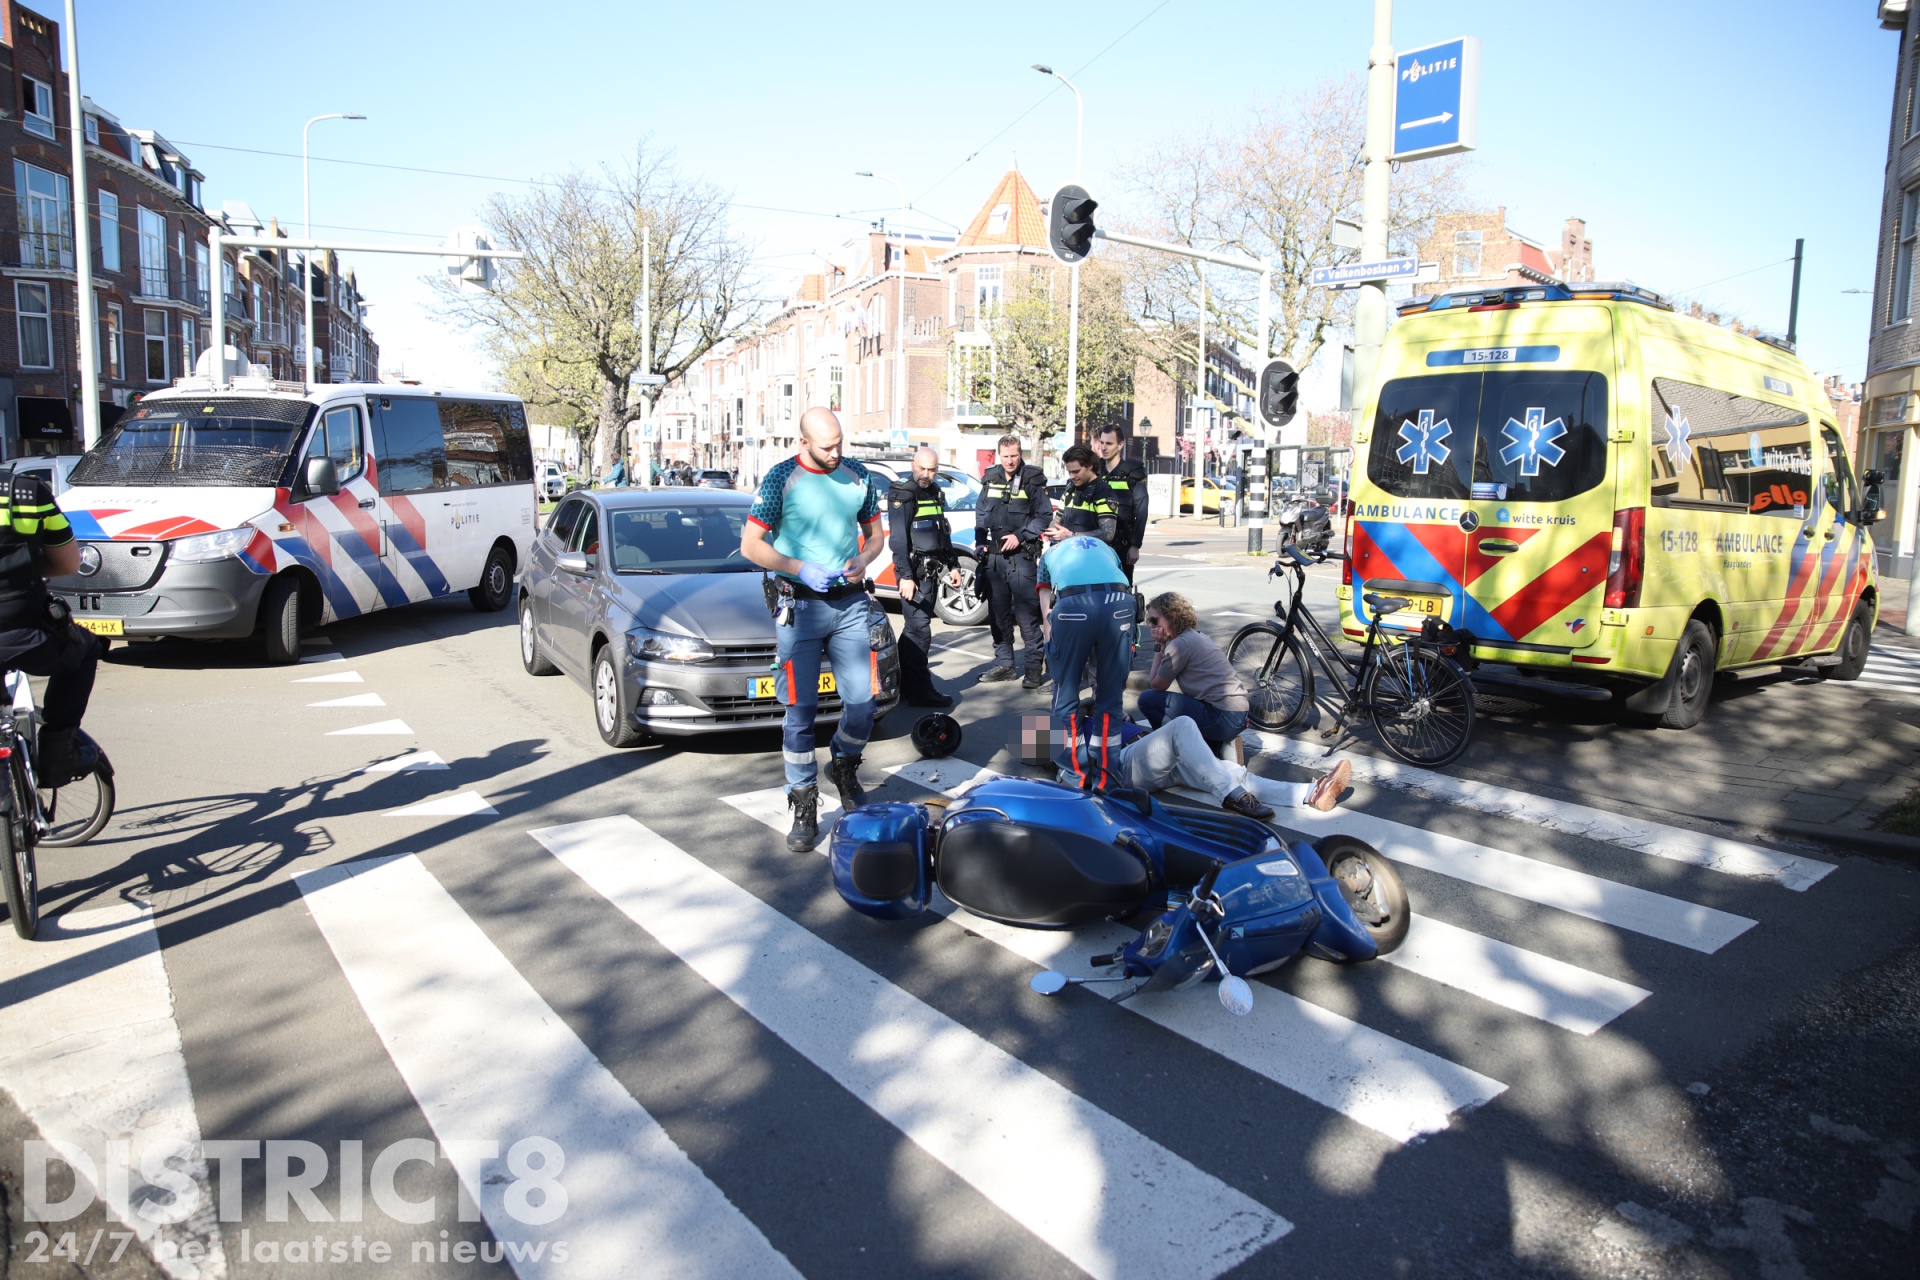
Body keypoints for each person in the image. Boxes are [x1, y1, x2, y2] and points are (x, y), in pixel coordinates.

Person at [740, 407, 887, 852]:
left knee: (863, 704)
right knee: (800, 713)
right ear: (803, 442)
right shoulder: (779, 479)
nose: (836, 452)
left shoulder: (858, 475)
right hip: (799, 608)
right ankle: (803, 801)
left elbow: (876, 535)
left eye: (840, 442)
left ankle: (842, 764)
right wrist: (798, 567)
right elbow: (750, 545)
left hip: (849, 606)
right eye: (827, 446)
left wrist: (865, 559)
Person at [0, 468, 101, 786]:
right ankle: (58, 755)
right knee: (84, 648)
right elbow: (68, 563)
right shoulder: (24, 493)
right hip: (21, 632)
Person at [1058, 711, 1350, 819]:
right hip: (1124, 763)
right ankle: (1233, 797)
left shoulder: (1089, 714)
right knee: (1182, 725)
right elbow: (1069, 772)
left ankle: (1308, 793)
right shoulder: (1062, 732)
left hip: (1153, 758)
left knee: (1228, 772)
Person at [1036, 531, 1132, 788]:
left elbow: (1046, 606)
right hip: (1120, 604)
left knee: (1065, 694)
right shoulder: (1104, 546)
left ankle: (1073, 775)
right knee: (1110, 698)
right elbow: (1122, 580)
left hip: (1073, 606)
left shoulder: (1049, 555)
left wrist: (1051, 641)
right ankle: (1108, 778)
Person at [887, 446, 962, 708]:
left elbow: (943, 533)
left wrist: (953, 565)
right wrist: (905, 576)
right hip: (913, 575)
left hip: (930, 574)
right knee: (920, 631)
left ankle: (904, 684)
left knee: (912, 632)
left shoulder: (934, 493)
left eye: (931, 469)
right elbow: (897, 540)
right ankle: (920, 692)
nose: (926, 474)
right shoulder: (904, 495)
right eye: (922, 468)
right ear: (912, 465)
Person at [976, 435, 1052, 689]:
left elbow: (1044, 515)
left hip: (1022, 558)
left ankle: (1032, 669)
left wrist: (1019, 537)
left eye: (1014, 455)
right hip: (995, 559)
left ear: (1021, 454)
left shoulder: (1032, 478)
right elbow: (980, 513)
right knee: (998, 616)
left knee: (1027, 616)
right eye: (1006, 456)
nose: (1010, 460)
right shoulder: (991, 477)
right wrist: (979, 542)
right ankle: (1005, 665)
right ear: (999, 455)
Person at [1139, 591, 1250, 746]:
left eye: (1154, 620)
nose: (1151, 626)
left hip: (1222, 716)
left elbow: (1156, 685)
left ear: (1172, 615)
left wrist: (1159, 646)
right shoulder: (1195, 635)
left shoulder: (1179, 645)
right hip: (1237, 714)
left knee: (1147, 699)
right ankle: (1213, 747)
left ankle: (1170, 748)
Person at [1092, 425, 1151, 583]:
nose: (1103, 448)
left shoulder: (1132, 474)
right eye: (1102, 443)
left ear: (1120, 445)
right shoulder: (1095, 472)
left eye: (1109, 444)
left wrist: (1135, 546)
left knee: (1121, 589)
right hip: (1096, 543)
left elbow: (1141, 512)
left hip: (1122, 545)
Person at [1049, 444, 1119, 546]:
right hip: (1066, 553)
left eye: (1076, 471)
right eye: (1069, 472)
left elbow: (1108, 533)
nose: (1072, 476)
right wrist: (1052, 530)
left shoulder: (1103, 492)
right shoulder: (1070, 490)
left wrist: (1071, 536)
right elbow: (1057, 519)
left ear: (1090, 466)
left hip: (1091, 556)